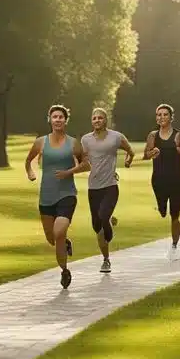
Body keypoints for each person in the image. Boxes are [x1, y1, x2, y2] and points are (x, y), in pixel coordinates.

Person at [25, 104, 85, 288]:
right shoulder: (41, 142)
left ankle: (65, 270)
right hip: (46, 196)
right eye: (55, 117)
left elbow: (86, 164)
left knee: (59, 232)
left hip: (67, 194)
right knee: (52, 239)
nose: (58, 120)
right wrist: (30, 173)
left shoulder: (73, 143)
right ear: (50, 120)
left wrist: (69, 172)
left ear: (65, 120)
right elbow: (28, 161)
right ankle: (64, 243)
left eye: (61, 117)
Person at [75, 107, 134, 274]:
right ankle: (106, 254)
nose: (97, 121)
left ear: (105, 120)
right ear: (91, 121)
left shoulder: (116, 137)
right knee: (97, 225)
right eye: (94, 118)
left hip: (110, 186)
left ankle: (106, 259)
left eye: (100, 118)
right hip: (93, 187)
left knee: (103, 217)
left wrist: (128, 161)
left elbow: (130, 151)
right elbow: (81, 160)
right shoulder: (86, 140)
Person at [143, 103, 180, 261]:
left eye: (165, 114)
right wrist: (153, 153)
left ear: (171, 117)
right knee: (163, 211)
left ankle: (174, 246)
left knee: (174, 215)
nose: (161, 117)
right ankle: (161, 207)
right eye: (159, 115)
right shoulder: (153, 136)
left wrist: (179, 149)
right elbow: (146, 155)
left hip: (176, 180)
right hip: (158, 180)